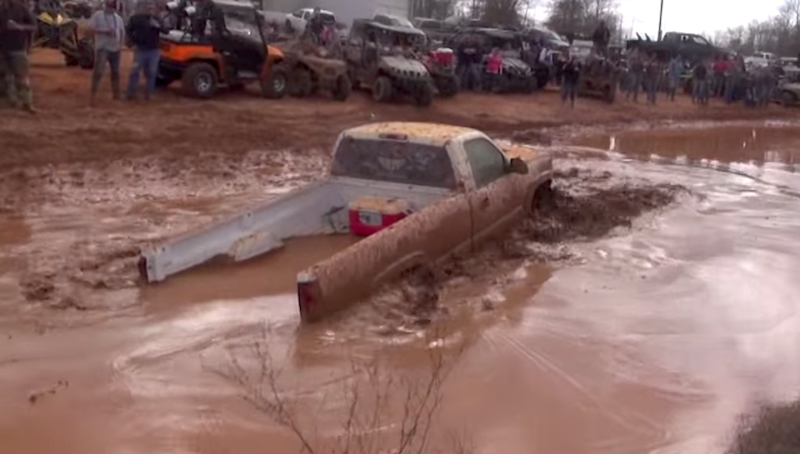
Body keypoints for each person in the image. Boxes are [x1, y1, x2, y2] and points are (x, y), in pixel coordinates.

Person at [0, 0, 37, 112]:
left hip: (18, 48)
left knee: (22, 77)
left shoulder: (22, 9)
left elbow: (34, 26)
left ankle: (27, 102)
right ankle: (12, 101)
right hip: (2, 48)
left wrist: (18, 26)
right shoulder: (2, 9)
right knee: (6, 76)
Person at [126, 0, 163, 100]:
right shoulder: (136, 18)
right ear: (143, 7)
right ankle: (131, 93)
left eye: (152, 6)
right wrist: (131, 43)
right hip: (140, 49)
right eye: (148, 6)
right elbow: (128, 30)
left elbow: (166, 30)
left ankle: (149, 94)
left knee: (152, 72)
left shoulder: (157, 19)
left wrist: (158, 25)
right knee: (135, 71)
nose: (150, 8)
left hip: (154, 50)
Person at [90, 0, 125, 103]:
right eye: (109, 5)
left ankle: (116, 95)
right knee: (99, 71)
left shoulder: (118, 18)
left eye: (113, 6)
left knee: (116, 72)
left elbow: (122, 32)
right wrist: (104, 31)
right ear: (105, 5)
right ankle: (93, 94)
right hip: (102, 48)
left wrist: (120, 45)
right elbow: (89, 29)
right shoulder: (98, 15)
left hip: (115, 48)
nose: (111, 8)